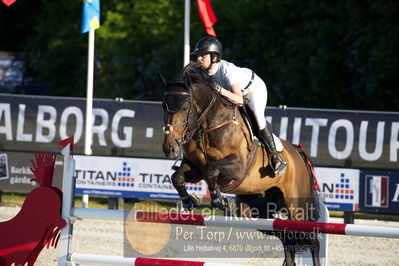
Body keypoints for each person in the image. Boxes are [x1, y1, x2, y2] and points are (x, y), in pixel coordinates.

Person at [191, 36, 287, 175]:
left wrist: (220, 90)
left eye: (202, 55)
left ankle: (275, 157)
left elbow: (240, 100)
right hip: (231, 93)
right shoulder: (203, 72)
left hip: (252, 89)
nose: (199, 59)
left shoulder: (226, 70)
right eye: (198, 56)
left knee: (258, 119)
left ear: (214, 56)